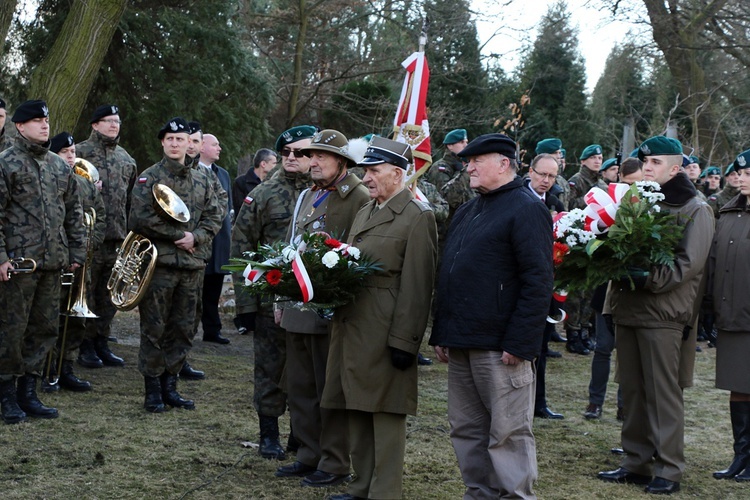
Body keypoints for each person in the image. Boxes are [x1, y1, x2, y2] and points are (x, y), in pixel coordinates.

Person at [430, 133, 554, 499]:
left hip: (501, 347)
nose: (467, 166)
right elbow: (449, 272)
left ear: (504, 164)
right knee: (466, 429)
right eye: (467, 160)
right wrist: (442, 331)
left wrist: (521, 342)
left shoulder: (527, 208)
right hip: (462, 340)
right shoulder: (469, 210)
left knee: (508, 433)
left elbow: (538, 281)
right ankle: (480, 493)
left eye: (476, 160)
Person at [598, 136, 714, 495]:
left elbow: (688, 265)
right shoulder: (637, 200)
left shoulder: (695, 207)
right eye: (644, 163)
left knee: (662, 395)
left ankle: (668, 468)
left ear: (676, 168)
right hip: (629, 308)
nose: (647, 168)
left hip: (663, 312)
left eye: (655, 164)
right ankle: (636, 462)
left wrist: (649, 278)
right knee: (632, 391)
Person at [323, 136, 437, 500]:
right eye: (366, 170)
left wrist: (405, 341)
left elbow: (418, 287)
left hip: (386, 331)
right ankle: (360, 486)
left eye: (374, 170)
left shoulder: (418, 217)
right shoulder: (365, 211)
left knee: (385, 413)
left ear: (398, 173)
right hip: (353, 326)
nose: (367, 178)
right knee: (355, 404)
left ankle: (385, 491)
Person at [274, 129, 370, 488]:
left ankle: (333, 462)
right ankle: (308, 454)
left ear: (342, 161)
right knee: (300, 386)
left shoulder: (358, 196)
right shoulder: (307, 195)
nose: (311, 162)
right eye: (310, 156)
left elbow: (358, 255)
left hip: (331, 309)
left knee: (329, 390)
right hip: (299, 305)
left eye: (320, 157)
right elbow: (290, 248)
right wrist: (281, 301)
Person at [231, 125, 316, 460]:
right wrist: (245, 303)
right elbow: (241, 248)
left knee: (307, 370)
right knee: (270, 367)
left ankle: (302, 434)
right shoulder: (264, 194)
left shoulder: (324, 193)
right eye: (286, 153)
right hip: (271, 298)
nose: (292, 158)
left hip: (313, 299)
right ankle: (269, 434)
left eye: (302, 153)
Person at [128, 117, 222, 413]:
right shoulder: (149, 176)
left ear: (189, 144)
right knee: (154, 328)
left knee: (183, 329)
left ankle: (171, 386)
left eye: (180, 139)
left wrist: (197, 236)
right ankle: (153, 390)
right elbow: (139, 219)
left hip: (192, 265)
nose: (174, 143)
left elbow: (215, 215)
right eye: (169, 138)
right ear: (163, 142)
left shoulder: (204, 179)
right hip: (160, 266)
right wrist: (177, 235)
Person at [0, 100, 86, 423]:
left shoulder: (59, 166)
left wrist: (76, 252)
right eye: (36, 121)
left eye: (46, 120)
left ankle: (28, 392)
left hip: (53, 264)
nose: (44, 126)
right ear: (20, 127)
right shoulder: (5, 163)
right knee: (11, 330)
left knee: (45, 328)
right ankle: (6, 395)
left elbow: (73, 213)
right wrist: (1, 258)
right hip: (18, 267)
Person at [42, 132, 106, 393]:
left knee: (76, 319)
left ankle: (66, 368)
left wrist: (89, 246)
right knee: (50, 319)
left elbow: (99, 217)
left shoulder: (86, 184)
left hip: (82, 264)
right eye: (65, 152)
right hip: (57, 263)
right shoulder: (48, 179)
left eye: (73, 152)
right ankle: (45, 370)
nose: (71, 156)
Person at [76, 104, 136, 368]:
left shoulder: (126, 159)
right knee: (85, 293)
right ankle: (83, 344)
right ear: (94, 125)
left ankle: (102, 341)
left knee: (109, 294)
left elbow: (130, 201)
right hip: (89, 238)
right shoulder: (79, 154)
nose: (114, 125)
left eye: (117, 120)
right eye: (108, 120)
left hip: (116, 238)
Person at [708, 148, 750, 481]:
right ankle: (741, 457)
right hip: (735, 315)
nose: (743, 179)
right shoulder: (729, 211)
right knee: (739, 386)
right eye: (741, 174)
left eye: (749, 174)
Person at [525, 153, 566, 421]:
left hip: (546, 284)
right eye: (542, 174)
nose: (546, 181)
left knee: (541, 348)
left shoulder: (554, 202)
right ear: (530, 171)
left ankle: (539, 402)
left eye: (551, 176)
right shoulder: (518, 198)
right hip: (522, 284)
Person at [193, 132, 232, 346]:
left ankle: (212, 328)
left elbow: (229, 207)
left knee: (215, 284)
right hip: (199, 238)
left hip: (220, 239)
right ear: (201, 147)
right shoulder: (191, 171)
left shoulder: (223, 174)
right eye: (215, 144)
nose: (219, 148)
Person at [423, 128, 475, 252]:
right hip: (445, 233)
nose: (466, 145)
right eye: (462, 142)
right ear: (450, 146)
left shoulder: (464, 167)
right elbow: (445, 200)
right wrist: (463, 173)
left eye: (466, 142)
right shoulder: (440, 168)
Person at [232, 148, 277, 217]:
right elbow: (240, 210)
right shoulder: (241, 182)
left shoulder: (272, 183)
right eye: (274, 163)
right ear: (263, 164)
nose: (276, 166)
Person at [535, 137, 570, 210]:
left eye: (559, 153)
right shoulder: (533, 177)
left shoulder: (562, 180)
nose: (559, 156)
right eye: (554, 153)